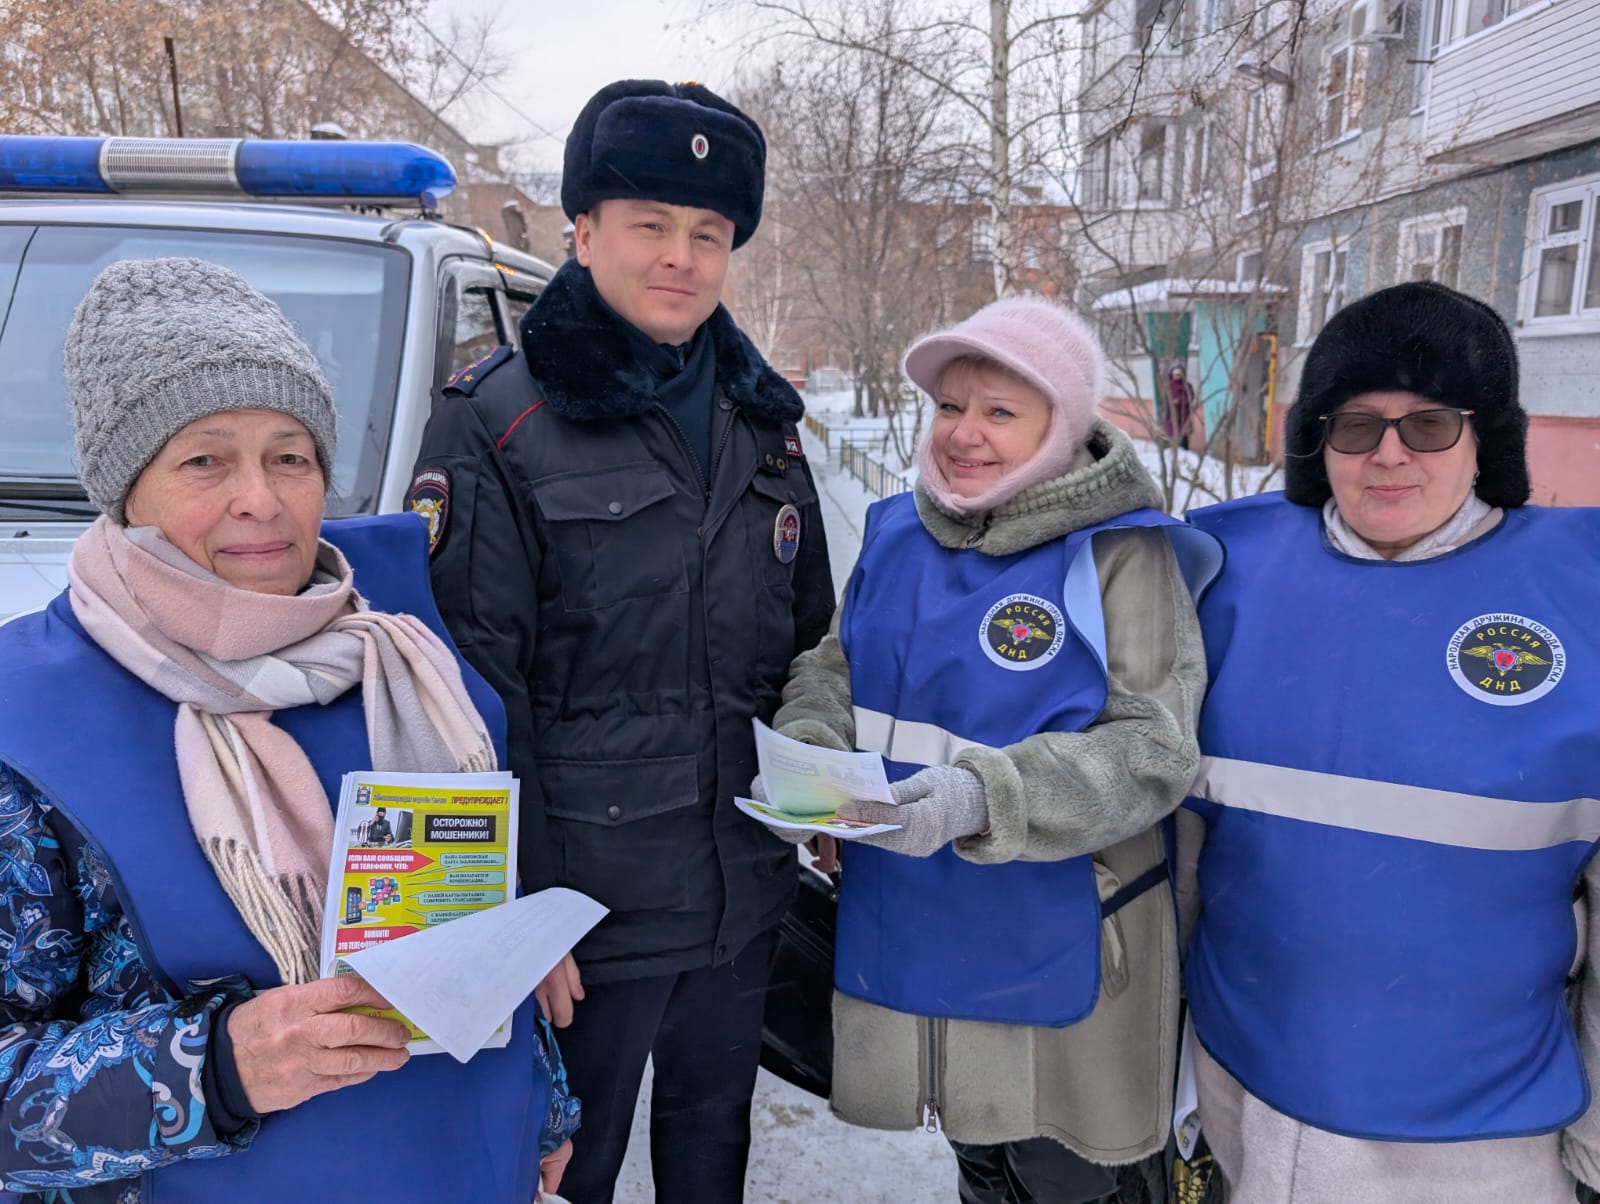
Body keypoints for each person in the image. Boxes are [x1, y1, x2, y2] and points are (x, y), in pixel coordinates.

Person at [0, 257, 578, 1202]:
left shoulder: (405, 666)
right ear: (124, 486)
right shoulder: (26, 719)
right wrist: (213, 1068)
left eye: (289, 456)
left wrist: (544, 1109)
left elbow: (463, 928)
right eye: (204, 459)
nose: (260, 499)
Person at [408, 80, 834, 1202]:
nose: (681, 257)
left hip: (739, 885)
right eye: (650, 223)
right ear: (582, 229)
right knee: (563, 1168)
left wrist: (826, 794)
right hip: (580, 917)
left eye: (708, 233)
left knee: (712, 1146)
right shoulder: (497, 419)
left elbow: (810, 644)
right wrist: (522, 912)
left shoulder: (767, 424)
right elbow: (467, 693)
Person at [754, 296, 1220, 1203]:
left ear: (1064, 425)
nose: (964, 435)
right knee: (980, 1164)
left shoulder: (1122, 553)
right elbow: (837, 665)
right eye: (951, 407)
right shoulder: (896, 531)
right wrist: (810, 746)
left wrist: (982, 797)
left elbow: (1154, 748)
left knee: (1062, 1176)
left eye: (1001, 411)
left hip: (1065, 951)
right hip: (916, 929)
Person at [1179, 280, 1600, 1202]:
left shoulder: (1580, 598)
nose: (1390, 455)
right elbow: (1177, 836)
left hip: (1486, 1131)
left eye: (1432, 425)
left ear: (1486, 438)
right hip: (1246, 1086)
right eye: (1357, 425)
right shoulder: (1223, 574)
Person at [1164, 361, 1194, 450]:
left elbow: (1190, 397)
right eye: (1175, 374)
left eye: (1179, 374)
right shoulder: (1168, 386)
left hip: (1184, 416)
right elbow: (1167, 401)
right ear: (1172, 374)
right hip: (1171, 417)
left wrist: (1179, 400)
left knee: (1183, 442)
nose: (1177, 376)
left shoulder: (1187, 386)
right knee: (1172, 442)